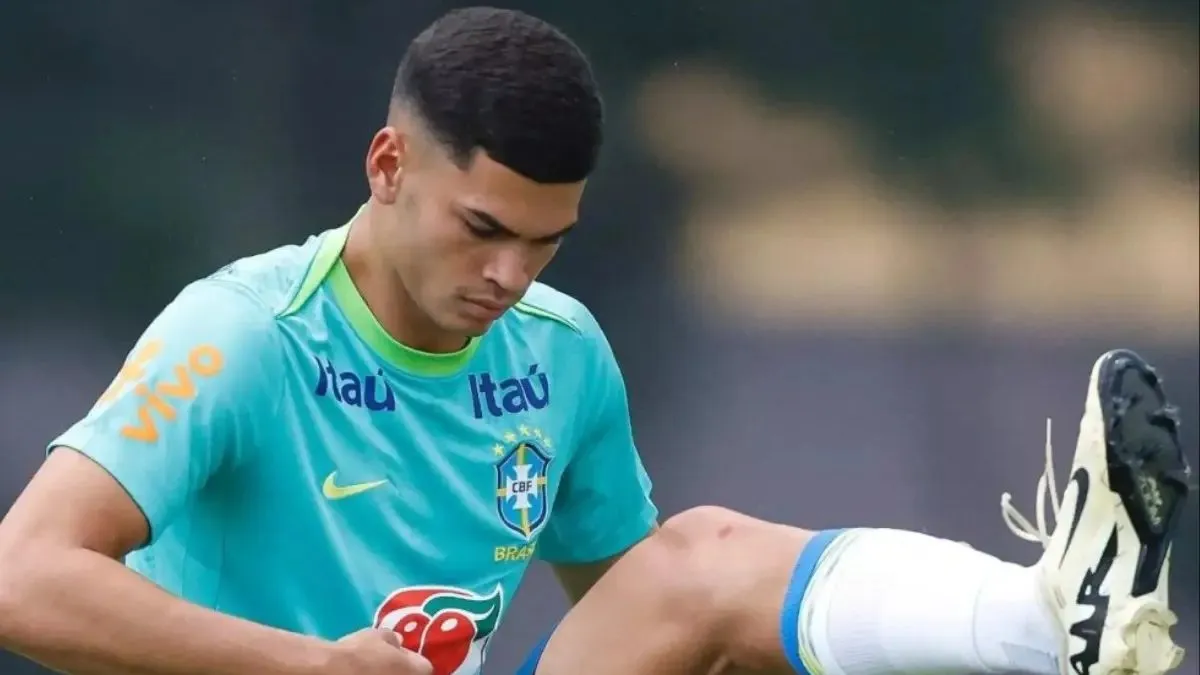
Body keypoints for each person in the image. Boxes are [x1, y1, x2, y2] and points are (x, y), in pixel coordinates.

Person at [0, 7, 1187, 675]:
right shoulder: (243, 333)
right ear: (387, 165)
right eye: (481, 230)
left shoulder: (561, 356)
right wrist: (301, 669)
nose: (510, 276)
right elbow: (22, 580)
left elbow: (661, 619)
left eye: (546, 241)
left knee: (697, 552)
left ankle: (1053, 632)